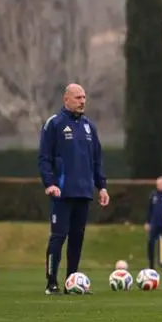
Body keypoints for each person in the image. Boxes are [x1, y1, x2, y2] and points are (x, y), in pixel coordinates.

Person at [38, 83, 110, 295]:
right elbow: (44, 158)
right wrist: (49, 183)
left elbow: (97, 160)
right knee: (58, 237)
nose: (82, 101)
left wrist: (102, 187)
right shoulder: (55, 124)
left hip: (84, 191)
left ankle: (72, 281)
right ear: (66, 99)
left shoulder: (89, 127)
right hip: (62, 192)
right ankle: (51, 282)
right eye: (78, 97)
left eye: (84, 97)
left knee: (77, 239)